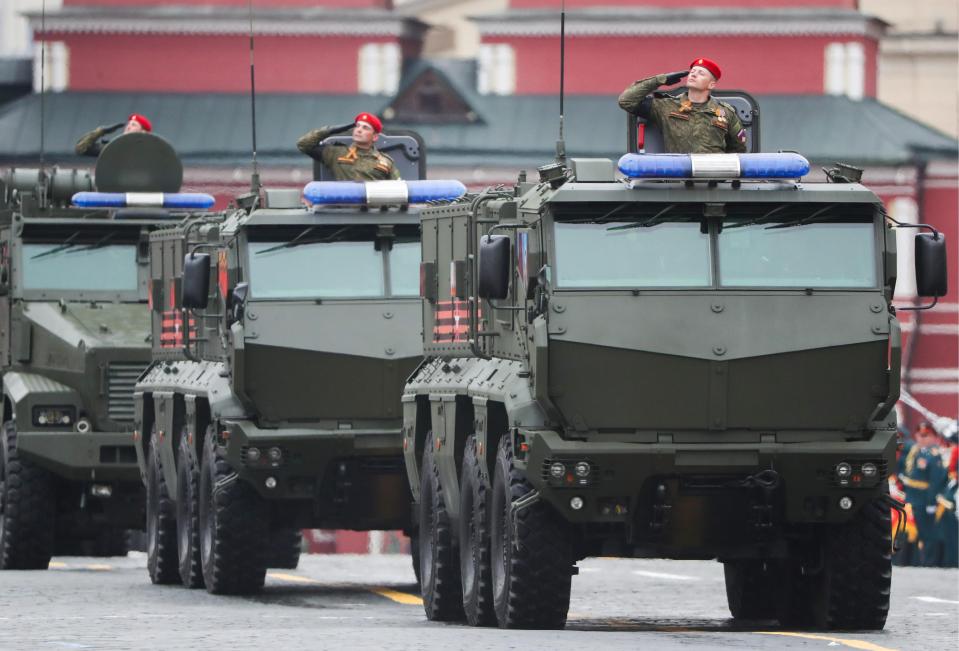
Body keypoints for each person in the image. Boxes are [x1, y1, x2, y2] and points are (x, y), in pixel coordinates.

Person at [618, 58, 747, 154]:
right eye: (692, 72)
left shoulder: (726, 113)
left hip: (714, 181)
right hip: (678, 181)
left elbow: (738, 149)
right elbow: (626, 101)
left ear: (711, 85)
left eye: (701, 73)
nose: (694, 74)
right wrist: (660, 80)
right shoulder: (666, 106)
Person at [296, 112, 400, 181]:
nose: (359, 130)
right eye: (357, 126)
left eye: (365, 128)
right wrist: (331, 130)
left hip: (373, 212)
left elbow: (398, 191)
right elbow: (303, 144)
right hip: (346, 211)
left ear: (375, 137)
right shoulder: (336, 153)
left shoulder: (385, 162)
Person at [899, 421, 945, 567]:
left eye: (925, 435)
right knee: (912, 530)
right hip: (911, 498)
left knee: (927, 532)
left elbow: (935, 481)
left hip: (924, 499)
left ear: (933, 437)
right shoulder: (915, 451)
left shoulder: (934, 455)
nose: (921, 438)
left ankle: (929, 562)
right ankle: (915, 561)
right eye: (919, 435)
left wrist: (931, 503)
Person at [75, 113, 153, 157]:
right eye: (128, 124)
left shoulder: (150, 151)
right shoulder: (113, 148)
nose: (128, 126)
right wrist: (101, 131)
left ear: (143, 131)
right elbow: (81, 148)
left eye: (134, 125)